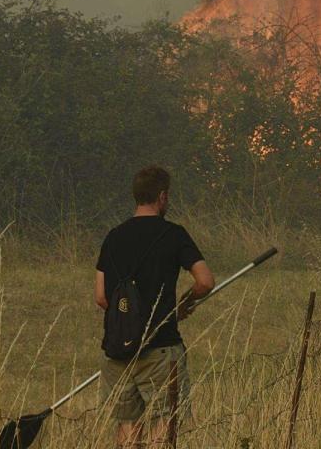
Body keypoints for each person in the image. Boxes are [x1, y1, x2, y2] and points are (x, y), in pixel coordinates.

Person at [94, 165, 215, 448]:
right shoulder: (173, 234)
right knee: (165, 422)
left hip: (118, 350)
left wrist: (128, 320)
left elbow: (101, 297)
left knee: (127, 425)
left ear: (136, 196)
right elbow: (206, 281)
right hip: (161, 347)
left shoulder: (113, 237)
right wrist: (185, 303)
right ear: (162, 197)